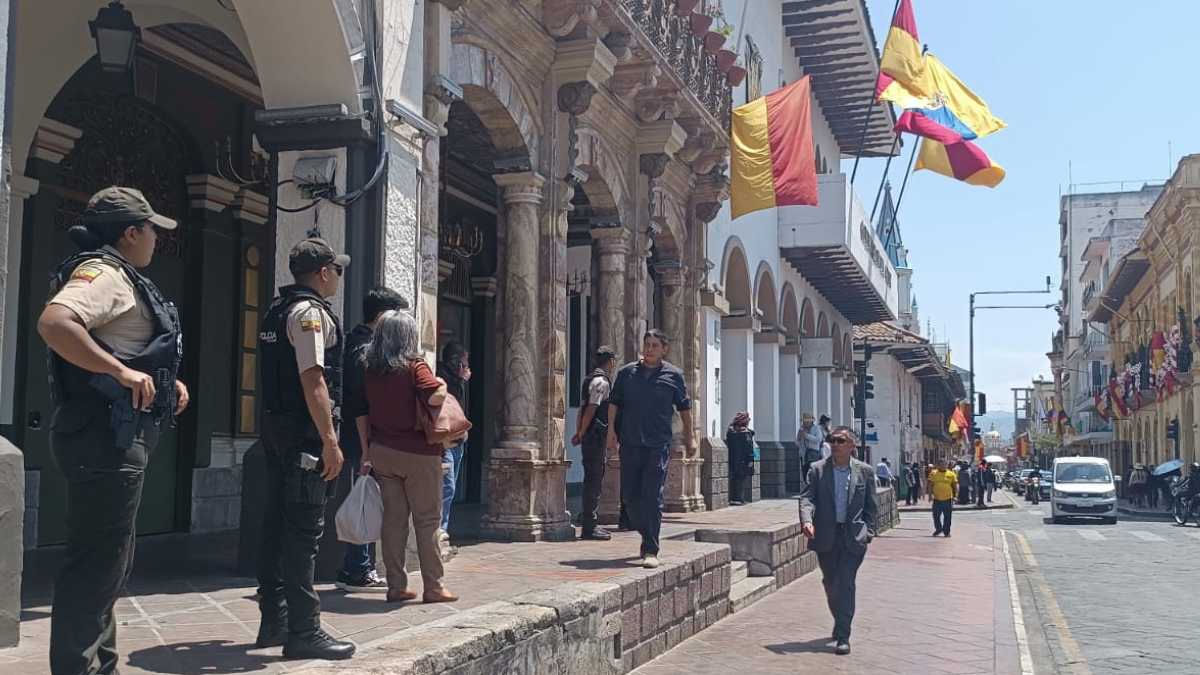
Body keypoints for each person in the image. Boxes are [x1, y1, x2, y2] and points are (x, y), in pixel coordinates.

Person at [39, 187, 190, 675]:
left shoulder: (122, 277)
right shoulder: (105, 273)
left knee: (109, 564)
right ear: (131, 233)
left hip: (112, 435)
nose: (155, 240)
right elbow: (56, 323)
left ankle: (99, 664)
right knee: (96, 566)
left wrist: (165, 381)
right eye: (150, 230)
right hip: (104, 436)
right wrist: (121, 374)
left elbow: (126, 344)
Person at [256, 237, 356, 660]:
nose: (338, 277)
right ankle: (303, 630)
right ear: (322, 273)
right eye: (337, 269)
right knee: (303, 534)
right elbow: (313, 378)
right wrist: (331, 442)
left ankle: (274, 620)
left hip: (278, 431)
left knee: (276, 526)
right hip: (306, 437)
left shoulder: (276, 310)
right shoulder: (309, 314)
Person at [358, 311, 459, 605]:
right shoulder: (416, 367)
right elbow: (433, 396)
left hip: (383, 451)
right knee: (428, 520)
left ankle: (396, 585)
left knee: (394, 521)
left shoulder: (370, 370)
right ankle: (434, 586)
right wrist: (442, 383)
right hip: (418, 454)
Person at [336, 285, 408, 593]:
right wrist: (366, 450)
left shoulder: (365, 346)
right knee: (364, 499)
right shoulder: (361, 351)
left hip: (371, 440)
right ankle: (356, 569)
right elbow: (358, 403)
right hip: (362, 440)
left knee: (372, 499)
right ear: (380, 317)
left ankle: (361, 566)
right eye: (396, 315)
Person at [607, 329, 697, 569]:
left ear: (664, 349)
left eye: (655, 345)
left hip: (658, 445)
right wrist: (611, 432)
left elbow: (685, 409)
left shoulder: (674, 375)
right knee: (629, 497)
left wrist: (691, 437)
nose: (649, 349)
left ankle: (650, 548)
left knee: (652, 497)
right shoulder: (627, 373)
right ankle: (647, 533)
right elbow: (614, 403)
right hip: (630, 443)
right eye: (647, 344)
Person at [798, 426, 877, 656]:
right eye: (832, 440)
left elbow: (871, 506)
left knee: (846, 583)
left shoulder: (865, 471)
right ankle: (839, 618)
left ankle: (844, 634)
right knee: (830, 582)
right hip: (826, 536)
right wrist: (806, 521)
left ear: (853, 445)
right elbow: (807, 498)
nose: (835, 444)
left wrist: (868, 532)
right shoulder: (817, 470)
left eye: (841, 441)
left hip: (853, 538)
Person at [571, 345, 618, 540]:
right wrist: (582, 432)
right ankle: (590, 524)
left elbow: (582, 409)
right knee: (594, 479)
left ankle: (590, 521)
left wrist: (579, 431)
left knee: (591, 477)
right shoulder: (602, 382)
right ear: (611, 361)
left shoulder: (589, 379)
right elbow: (591, 408)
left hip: (589, 434)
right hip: (596, 436)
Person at [436, 340, 471, 537]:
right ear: (455, 362)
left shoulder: (458, 380)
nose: (467, 369)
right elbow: (450, 402)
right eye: (464, 364)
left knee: (452, 486)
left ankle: (444, 528)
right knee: (446, 486)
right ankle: (440, 530)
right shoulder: (442, 378)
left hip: (458, 440)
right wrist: (461, 380)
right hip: (445, 441)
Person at [725, 412, 755, 506]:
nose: (749, 420)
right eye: (748, 419)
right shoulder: (745, 433)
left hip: (733, 458)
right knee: (741, 478)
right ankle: (738, 498)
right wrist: (750, 459)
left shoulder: (731, 431)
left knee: (735, 478)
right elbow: (748, 446)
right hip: (743, 459)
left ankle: (735, 498)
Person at [927, 459, 957, 537]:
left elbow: (955, 485)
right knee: (936, 515)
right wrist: (930, 495)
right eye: (941, 464)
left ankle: (946, 532)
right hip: (937, 499)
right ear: (938, 465)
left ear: (946, 465)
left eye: (944, 464)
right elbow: (930, 485)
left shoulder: (951, 474)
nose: (943, 466)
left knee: (947, 516)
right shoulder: (933, 474)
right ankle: (938, 529)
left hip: (948, 498)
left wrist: (955, 496)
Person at [798, 412, 825, 481]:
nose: (806, 424)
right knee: (805, 472)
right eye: (804, 422)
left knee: (813, 472)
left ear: (811, 422)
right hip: (804, 454)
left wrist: (806, 436)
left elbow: (818, 439)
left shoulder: (816, 429)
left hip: (814, 453)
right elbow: (797, 443)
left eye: (807, 422)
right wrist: (799, 437)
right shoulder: (802, 429)